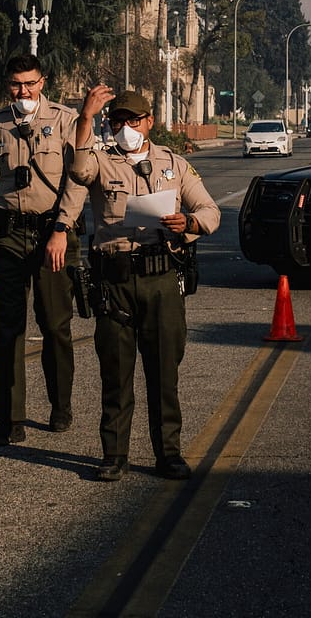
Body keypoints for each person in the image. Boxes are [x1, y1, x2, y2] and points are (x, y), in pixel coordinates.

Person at [71, 86, 220, 482]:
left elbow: (209, 210)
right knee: (116, 374)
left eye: (133, 121)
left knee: (163, 373)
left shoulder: (174, 164)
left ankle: (168, 453)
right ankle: (114, 454)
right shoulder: (101, 162)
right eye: (117, 121)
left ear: (149, 122)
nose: (125, 128)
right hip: (115, 280)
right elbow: (78, 171)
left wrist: (187, 223)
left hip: (161, 277)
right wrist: (86, 118)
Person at [0, 54, 87, 447]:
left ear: (43, 82)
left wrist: (62, 229)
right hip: (9, 234)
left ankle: (60, 406)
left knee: (54, 324)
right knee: (9, 329)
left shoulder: (66, 120)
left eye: (30, 83)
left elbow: (78, 181)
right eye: (16, 85)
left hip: (53, 232)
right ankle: (10, 419)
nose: (23, 91)